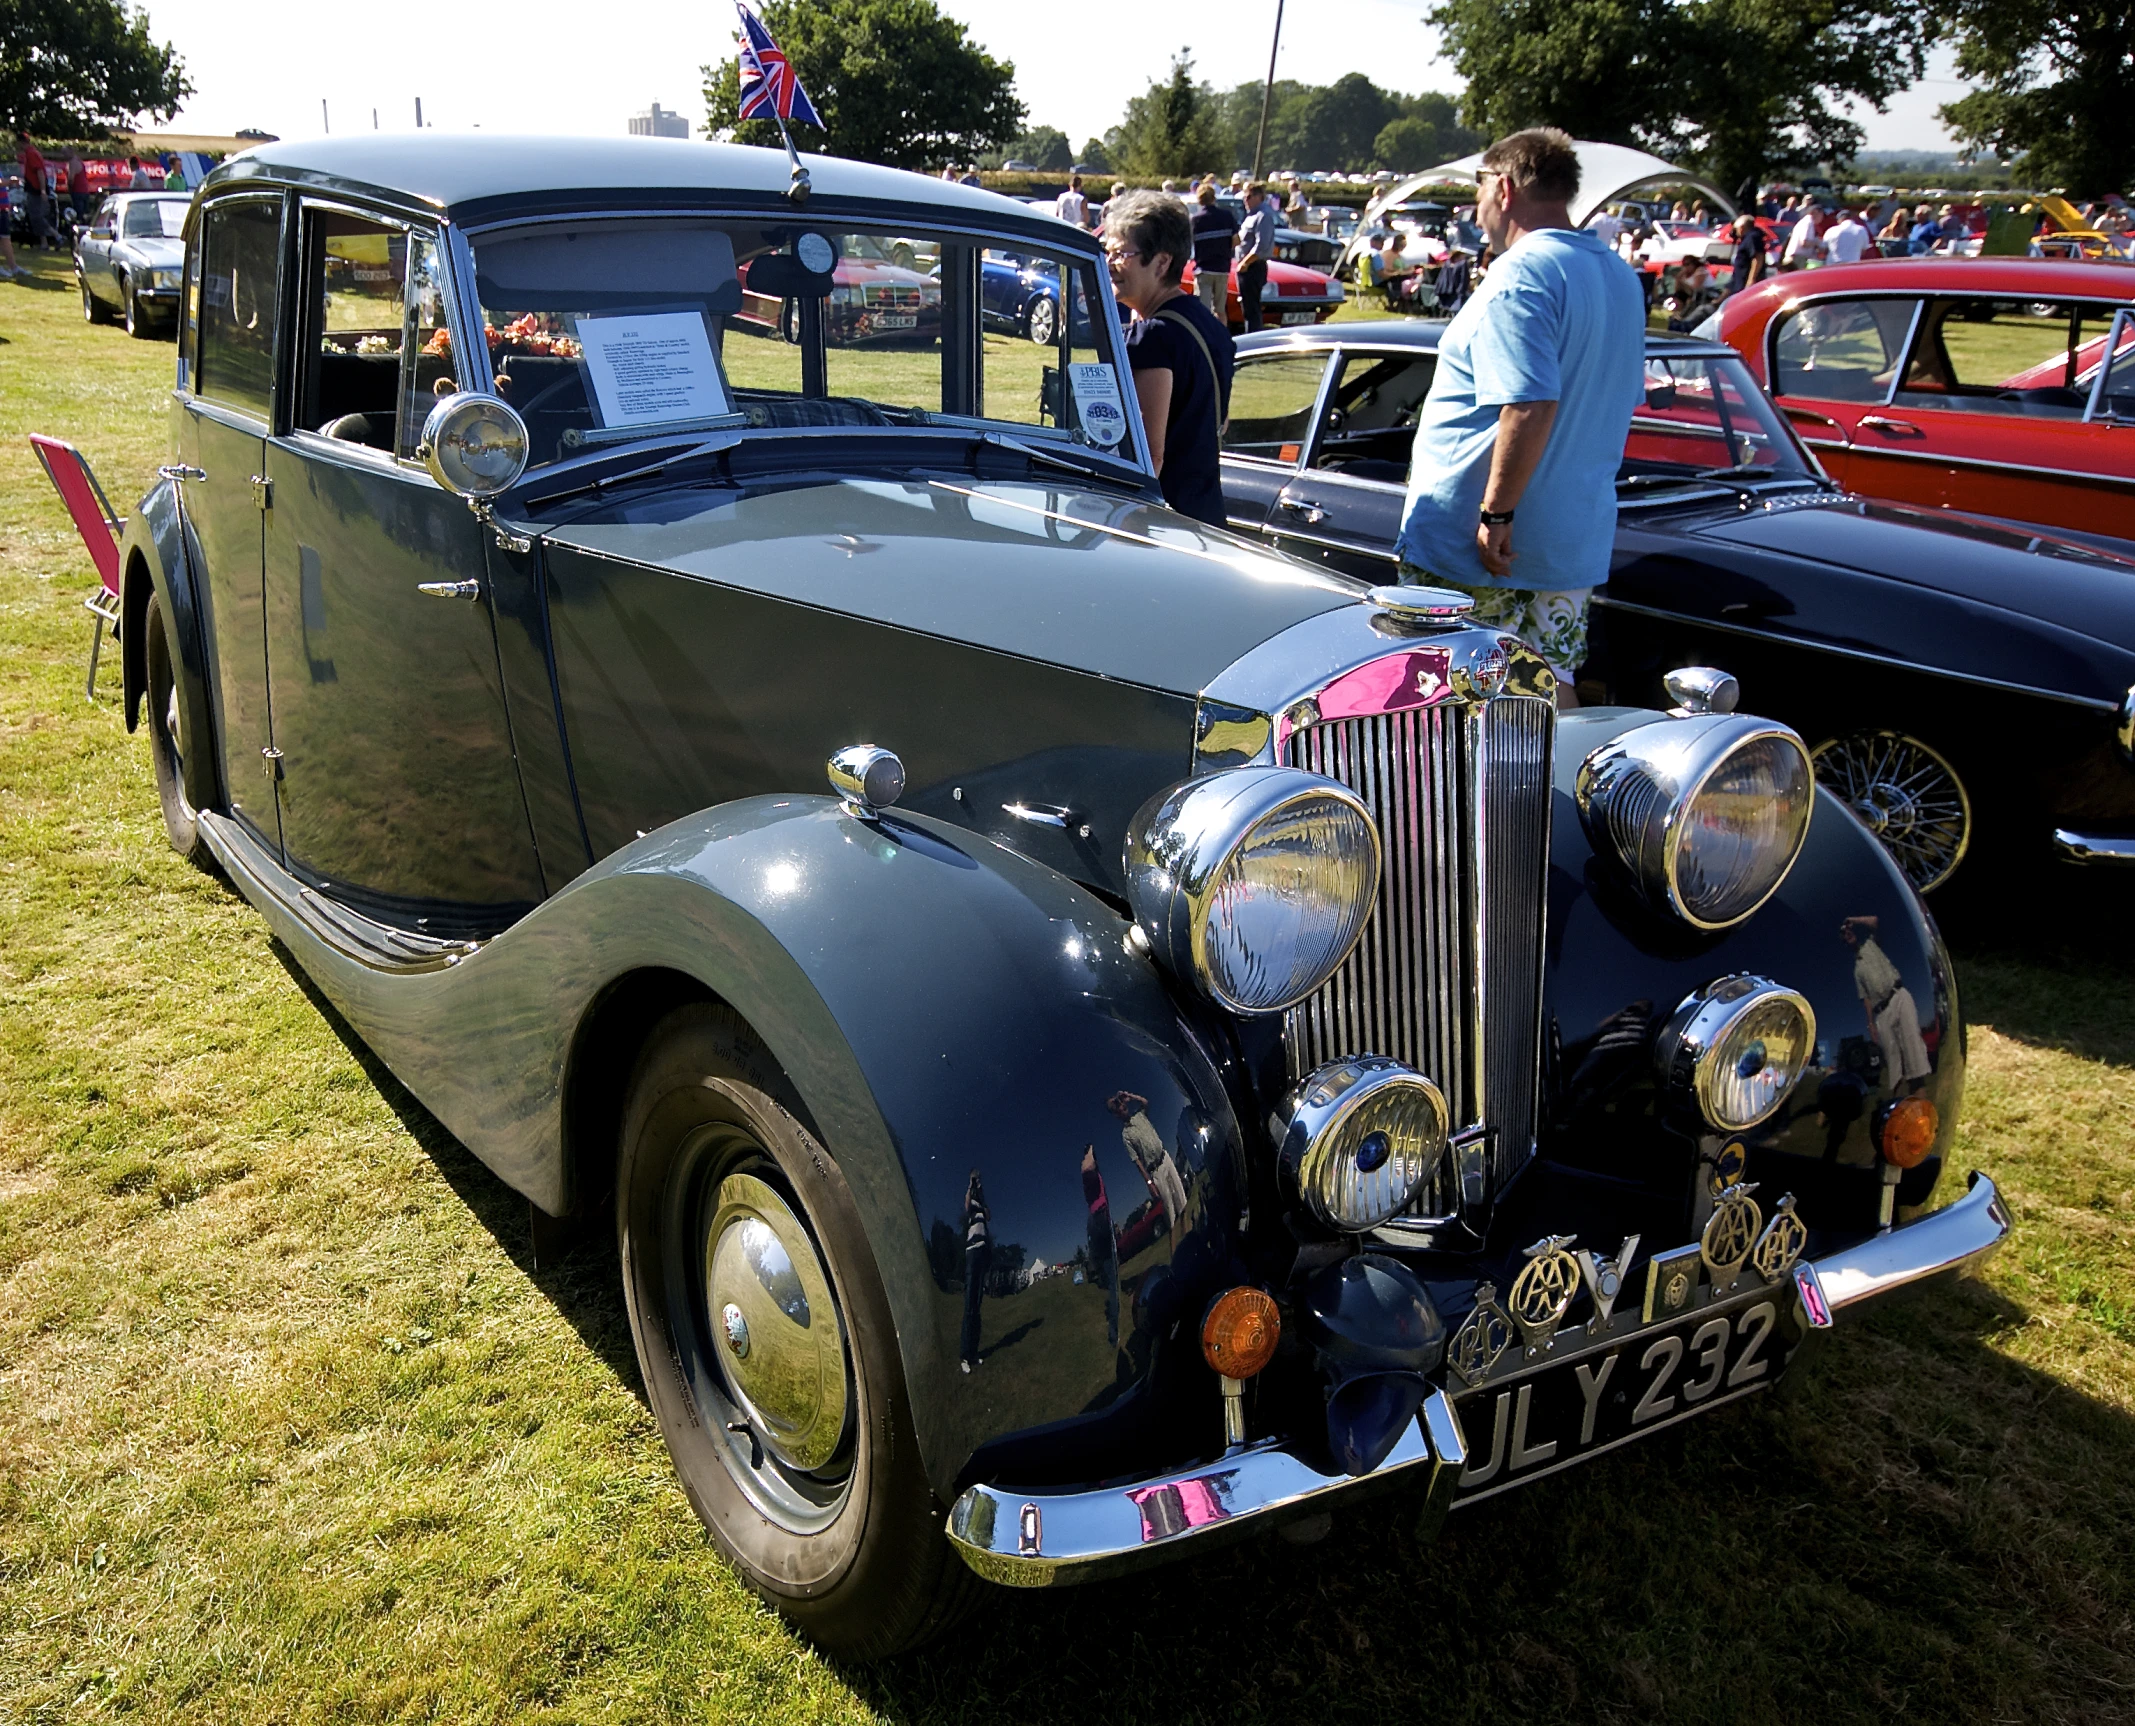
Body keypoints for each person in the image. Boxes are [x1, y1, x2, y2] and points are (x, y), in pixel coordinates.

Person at [1392, 127, 1644, 699]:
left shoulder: (1522, 272)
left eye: (1478, 189)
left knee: (1447, 701)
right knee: (1550, 693)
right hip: (1569, 540)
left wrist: (1496, 513)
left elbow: (1530, 403)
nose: (1475, 207)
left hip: (1478, 547)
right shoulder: (1618, 276)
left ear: (1503, 188)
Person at [1105, 189, 1234, 527]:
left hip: (1162, 526)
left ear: (1162, 262)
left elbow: (1149, 453)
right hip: (1206, 517)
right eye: (1108, 251)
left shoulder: (1154, 336)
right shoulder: (1211, 325)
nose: (1109, 263)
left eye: (1122, 253)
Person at [1842, 916, 1931, 1094]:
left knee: (1912, 1048)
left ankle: (1921, 1105)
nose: (1848, 934)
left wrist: (1854, 920)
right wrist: (1871, 1024)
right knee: (1893, 1061)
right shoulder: (1857, 970)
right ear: (1844, 940)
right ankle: (1900, 1106)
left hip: (1898, 996)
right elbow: (1865, 998)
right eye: (1843, 934)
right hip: (1881, 1012)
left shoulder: (1871, 945)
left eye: (1848, 930)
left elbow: (1876, 922)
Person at [1080, 1145, 1119, 1348]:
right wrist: (1090, 1152)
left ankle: (1114, 1331)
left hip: (1097, 1221)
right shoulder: (1088, 1168)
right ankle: (1115, 1332)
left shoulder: (1095, 1178)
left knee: (1109, 1273)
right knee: (1113, 1277)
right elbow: (1087, 1169)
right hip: (1099, 1219)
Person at [1188, 181, 1238, 320]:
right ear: (1214, 198)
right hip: (1222, 268)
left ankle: (1204, 339)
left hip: (1203, 269)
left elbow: (1188, 244)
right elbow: (1236, 241)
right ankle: (1222, 339)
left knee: (1203, 311)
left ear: (1199, 199)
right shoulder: (1227, 216)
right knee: (1220, 311)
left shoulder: (1195, 220)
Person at [958, 1170, 991, 1372]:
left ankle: (973, 1352)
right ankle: (964, 1355)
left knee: (977, 1304)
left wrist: (982, 1192)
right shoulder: (971, 1207)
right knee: (969, 1303)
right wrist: (970, 1185)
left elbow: (989, 1215)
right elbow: (966, 1203)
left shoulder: (982, 1206)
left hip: (983, 1252)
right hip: (971, 1252)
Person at [1235, 180, 1277, 333]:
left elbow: (1262, 246)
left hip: (1253, 267)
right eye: (1244, 197)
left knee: (1252, 310)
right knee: (1247, 307)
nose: (1245, 200)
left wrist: (1245, 263)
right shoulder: (1250, 216)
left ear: (1259, 197)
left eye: (1249, 197)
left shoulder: (1263, 215)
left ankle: (1253, 340)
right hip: (1246, 267)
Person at [16, 132, 52, 252]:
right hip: (32, 187)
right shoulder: (29, 154)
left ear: (21, 142)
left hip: (35, 189)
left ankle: (54, 236)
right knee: (35, 216)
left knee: (37, 216)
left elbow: (40, 172)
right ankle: (44, 242)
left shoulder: (32, 154)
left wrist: (42, 190)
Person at [1725, 212, 1769, 297]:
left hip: (1747, 287)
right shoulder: (1746, 239)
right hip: (1739, 285)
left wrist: (1751, 281)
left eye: (1736, 229)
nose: (1735, 232)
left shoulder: (1753, 237)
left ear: (1741, 227)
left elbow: (1758, 257)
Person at [1781, 204, 1824, 270]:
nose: (1822, 218)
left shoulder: (1804, 222)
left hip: (1794, 258)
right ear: (1815, 212)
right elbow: (1804, 242)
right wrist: (1817, 243)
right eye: (1822, 215)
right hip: (1797, 259)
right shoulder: (1808, 223)